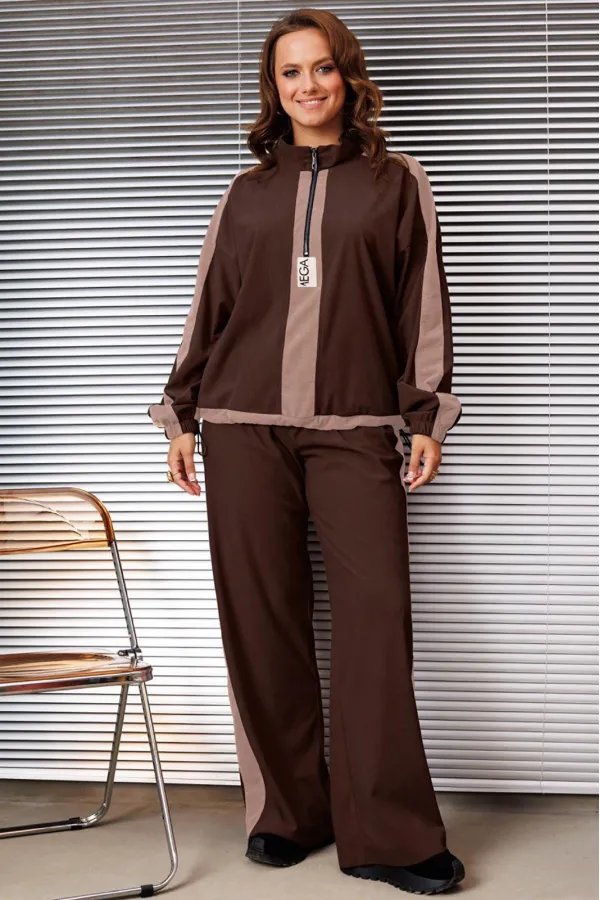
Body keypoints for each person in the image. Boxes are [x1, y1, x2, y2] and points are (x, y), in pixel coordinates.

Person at [148, 7, 465, 896]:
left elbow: (422, 306)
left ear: (347, 76)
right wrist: (180, 417)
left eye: (322, 67)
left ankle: (389, 835)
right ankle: (288, 813)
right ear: (273, 88)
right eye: (290, 72)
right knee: (263, 625)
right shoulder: (245, 192)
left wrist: (426, 417)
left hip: (355, 428)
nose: (308, 85)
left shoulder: (396, 180)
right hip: (240, 426)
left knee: (375, 626)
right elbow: (209, 308)